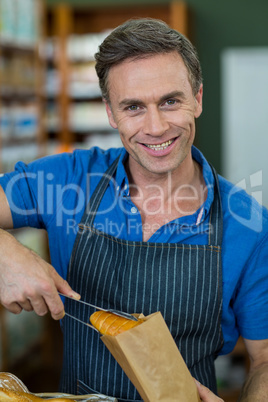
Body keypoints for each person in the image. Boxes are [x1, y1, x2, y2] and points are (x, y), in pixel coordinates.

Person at [0, 18, 267, 402]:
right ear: (110, 113)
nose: (155, 127)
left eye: (170, 101)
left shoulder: (250, 226)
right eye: (134, 107)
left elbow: (264, 358)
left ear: (198, 99)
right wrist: (4, 252)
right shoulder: (69, 179)